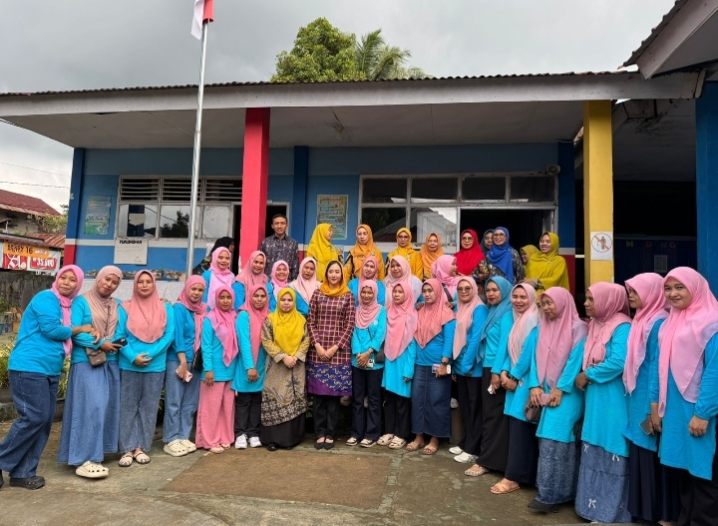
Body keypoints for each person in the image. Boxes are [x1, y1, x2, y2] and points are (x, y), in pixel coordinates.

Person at [0, 266, 95, 490]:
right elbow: (52, 330)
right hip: (29, 366)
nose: (67, 282)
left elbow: (81, 328)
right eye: (64, 277)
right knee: (34, 417)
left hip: (50, 369)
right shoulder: (46, 298)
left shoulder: (69, 306)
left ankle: (23, 472)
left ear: (78, 284)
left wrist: (92, 332)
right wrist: (81, 328)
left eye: (73, 280)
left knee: (43, 423)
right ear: (57, 278)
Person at [650, 268, 718, 525]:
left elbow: (714, 372)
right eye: (668, 288)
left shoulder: (712, 323)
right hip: (675, 410)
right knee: (684, 471)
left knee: (705, 474)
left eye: (680, 287)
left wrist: (703, 414)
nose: (673, 293)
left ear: (696, 289)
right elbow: (659, 367)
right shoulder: (670, 323)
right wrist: (655, 405)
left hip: (701, 411)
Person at [623, 273, 680, 524]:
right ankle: (643, 512)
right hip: (637, 400)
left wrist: (652, 407)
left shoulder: (658, 323)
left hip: (650, 402)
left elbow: (658, 367)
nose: (631, 296)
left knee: (652, 456)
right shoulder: (640, 320)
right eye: (630, 292)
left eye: (636, 291)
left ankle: (657, 514)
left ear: (650, 293)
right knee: (641, 453)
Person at [573, 282, 632, 524]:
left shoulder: (622, 326)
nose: (586, 303)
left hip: (613, 398)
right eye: (586, 298)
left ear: (608, 301)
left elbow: (619, 362)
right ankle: (591, 509)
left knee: (612, 444)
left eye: (591, 299)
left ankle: (610, 513)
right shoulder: (596, 324)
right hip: (596, 397)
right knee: (594, 441)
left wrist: (588, 374)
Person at [58, 265, 124, 479]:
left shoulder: (118, 304)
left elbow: (124, 329)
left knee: (105, 409)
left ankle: (96, 453)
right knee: (90, 408)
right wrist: (101, 343)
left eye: (114, 282)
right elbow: (75, 332)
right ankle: (85, 458)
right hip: (86, 362)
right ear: (98, 278)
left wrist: (112, 344)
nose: (109, 284)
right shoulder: (81, 301)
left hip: (110, 362)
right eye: (106, 279)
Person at [527, 287, 588, 513]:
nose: (546, 308)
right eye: (543, 304)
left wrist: (560, 389)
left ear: (563, 302)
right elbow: (534, 358)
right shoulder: (543, 326)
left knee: (558, 441)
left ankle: (553, 495)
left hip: (567, 394)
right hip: (545, 391)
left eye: (550, 303)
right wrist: (534, 384)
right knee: (548, 442)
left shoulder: (578, 327)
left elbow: (575, 360)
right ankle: (550, 493)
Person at [116, 271, 176, 468]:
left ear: (154, 284)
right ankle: (127, 448)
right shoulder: (124, 308)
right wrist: (132, 356)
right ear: (135, 285)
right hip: (129, 364)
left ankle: (141, 447)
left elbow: (169, 335)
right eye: (140, 282)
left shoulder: (166, 308)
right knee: (128, 407)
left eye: (148, 281)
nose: (144, 285)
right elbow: (119, 336)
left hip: (155, 365)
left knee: (148, 408)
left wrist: (150, 355)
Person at [491, 284, 540, 494]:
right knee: (517, 429)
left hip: (526, 381)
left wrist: (513, 376)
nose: (518, 301)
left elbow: (530, 355)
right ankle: (519, 475)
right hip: (514, 377)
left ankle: (513, 477)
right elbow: (510, 349)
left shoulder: (533, 320)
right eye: (515, 296)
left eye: (523, 297)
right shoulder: (517, 319)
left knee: (522, 429)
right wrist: (504, 371)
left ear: (532, 299)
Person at [465, 276, 514, 477]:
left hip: (495, 369)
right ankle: (489, 458)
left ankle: (486, 461)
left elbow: (504, 345)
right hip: (488, 367)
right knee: (490, 414)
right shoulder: (495, 310)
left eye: (495, 290)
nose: (491, 294)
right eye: (489, 290)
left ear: (505, 290)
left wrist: (496, 372)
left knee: (493, 416)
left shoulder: (507, 313)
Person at [307, 260, 355, 450]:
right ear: (326, 274)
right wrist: (318, 346)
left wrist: (335, 348)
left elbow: (350, 324)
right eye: (331, 271)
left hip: (338, 353)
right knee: (319, 397)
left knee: (333, 397)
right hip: (318, 351)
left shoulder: (348, 295)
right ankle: (319, 433)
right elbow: (311, 321)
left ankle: (330, 433)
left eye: (337, 271)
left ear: (342, 274)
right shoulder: (318, 293)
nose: (334, 275)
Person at [407, 279, 456, 455]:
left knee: (437, 401)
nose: (427, 294)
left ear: (438, 291)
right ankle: (419, 436)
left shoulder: (447, 313)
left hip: (438, 364)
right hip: (420, 363)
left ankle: (435, 438)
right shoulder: (420, 311)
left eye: (430, 290)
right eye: (425, 291)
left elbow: (450, 340)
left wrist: (444, 363)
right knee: (418, 400)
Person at [260, 288, 311, 451]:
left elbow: (306, 339)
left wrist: (296, 356)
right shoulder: (270, 319)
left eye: (290, 300)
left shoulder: (301, 320)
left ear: (294, 302)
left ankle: (292, 439)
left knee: (294, 400)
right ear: (278, 301)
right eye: (283, 300)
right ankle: (273, 439)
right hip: (276, 366)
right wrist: (283, 357)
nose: (286, 303)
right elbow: (266, 340)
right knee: (276, 396)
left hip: (296, 365)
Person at [162, 275, 206, 458]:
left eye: (200, 290)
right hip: (178, 359)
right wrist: (182, 362)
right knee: (174, 400)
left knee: (190, 401)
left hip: (195, 361)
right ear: (187, 289)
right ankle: (171, 438)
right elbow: (177, 336)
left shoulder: (202, 310)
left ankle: (183, 435)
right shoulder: (179, 308)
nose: (196, 293)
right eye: (193, 289)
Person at [196, 287, 238, 454]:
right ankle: (209, 440)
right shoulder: (210, 318)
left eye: (228, 297)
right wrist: (208, 369)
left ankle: (224, 437)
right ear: (216, 299)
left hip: (230, 368)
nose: (225, 301)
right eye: (222, 297)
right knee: (210, 408)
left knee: (227, 407)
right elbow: (206, 346)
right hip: (213, 370)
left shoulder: (234, 317)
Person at [451, 278, 488, 464]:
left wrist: (466, 365)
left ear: (475, 289)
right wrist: (456, 366)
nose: (464, 291)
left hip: (473, 368)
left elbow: (475, 339)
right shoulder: (459, 306)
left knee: (474, 409)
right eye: (460, 289)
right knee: (465, 406)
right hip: (460, 365)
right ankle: (466, 442)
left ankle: (473, 448)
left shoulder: (479, 309)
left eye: (468, 288)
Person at [348, 280, 387, 448]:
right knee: (357, 399)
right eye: (363, 292)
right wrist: (358, 354)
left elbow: (380, 334)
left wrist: (368, 352)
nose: (366, 295)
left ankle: (371, 434)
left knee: (373, 398)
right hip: (357, 361)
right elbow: (353, 333)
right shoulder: (356, 310)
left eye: (369, 292)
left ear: (375, 293)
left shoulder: (381, 311)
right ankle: (356, 433)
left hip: (374, 363)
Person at [380, 283, 418, 450]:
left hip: (403, 362)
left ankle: (401, 434)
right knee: (389, 399)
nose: (396, 294)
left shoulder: (412, 314)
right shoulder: (388, 311)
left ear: (407, 294)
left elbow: (412, 345)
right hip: (389, 360)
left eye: (400, 291)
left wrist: (409, 369)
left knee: (402, 400)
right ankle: (389, 431)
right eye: (394, 291)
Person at [232, 284, 269, 450]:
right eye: (256, 296)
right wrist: (249, 367)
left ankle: (253, 433)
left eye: (262, 296)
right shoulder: (244, 315)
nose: (259, 299)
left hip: (262, 365)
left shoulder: (267, 315)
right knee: (244, 400)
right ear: (250, 297)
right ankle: (240, 433)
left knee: (256, 400)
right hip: (246, 365)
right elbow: (244, 343)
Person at [260, 214, 299, 281]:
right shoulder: (265, 242)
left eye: (282, 223)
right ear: (272, 226)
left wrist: (292, 282)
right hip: (268, 281)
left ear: (286, 225)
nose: (279, 226)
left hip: (286, 281)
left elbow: (295, 266)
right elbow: (261, 263)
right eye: (276, 223)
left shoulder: (293, 243)